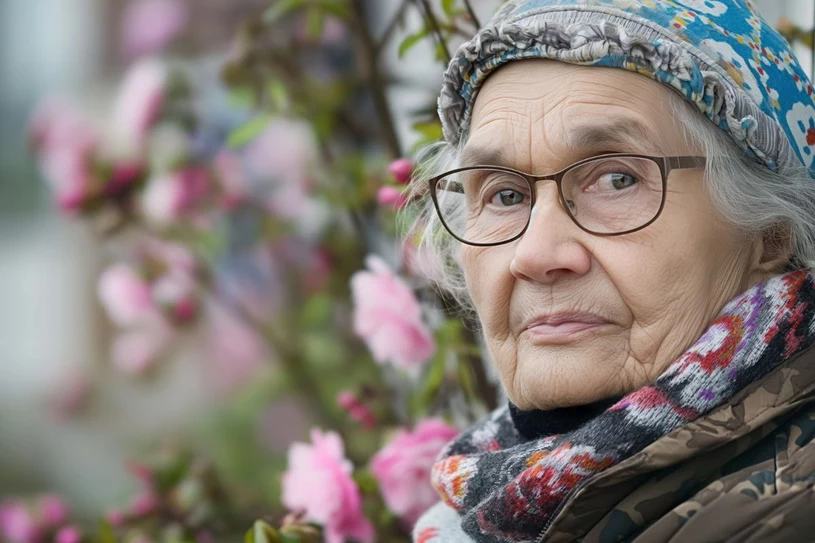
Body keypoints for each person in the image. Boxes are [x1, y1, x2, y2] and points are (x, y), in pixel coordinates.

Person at [405, 0, 815, 541]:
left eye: (617, 180)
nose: (536, 255)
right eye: (504, 194)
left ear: (769, 235)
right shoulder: (464, 519)